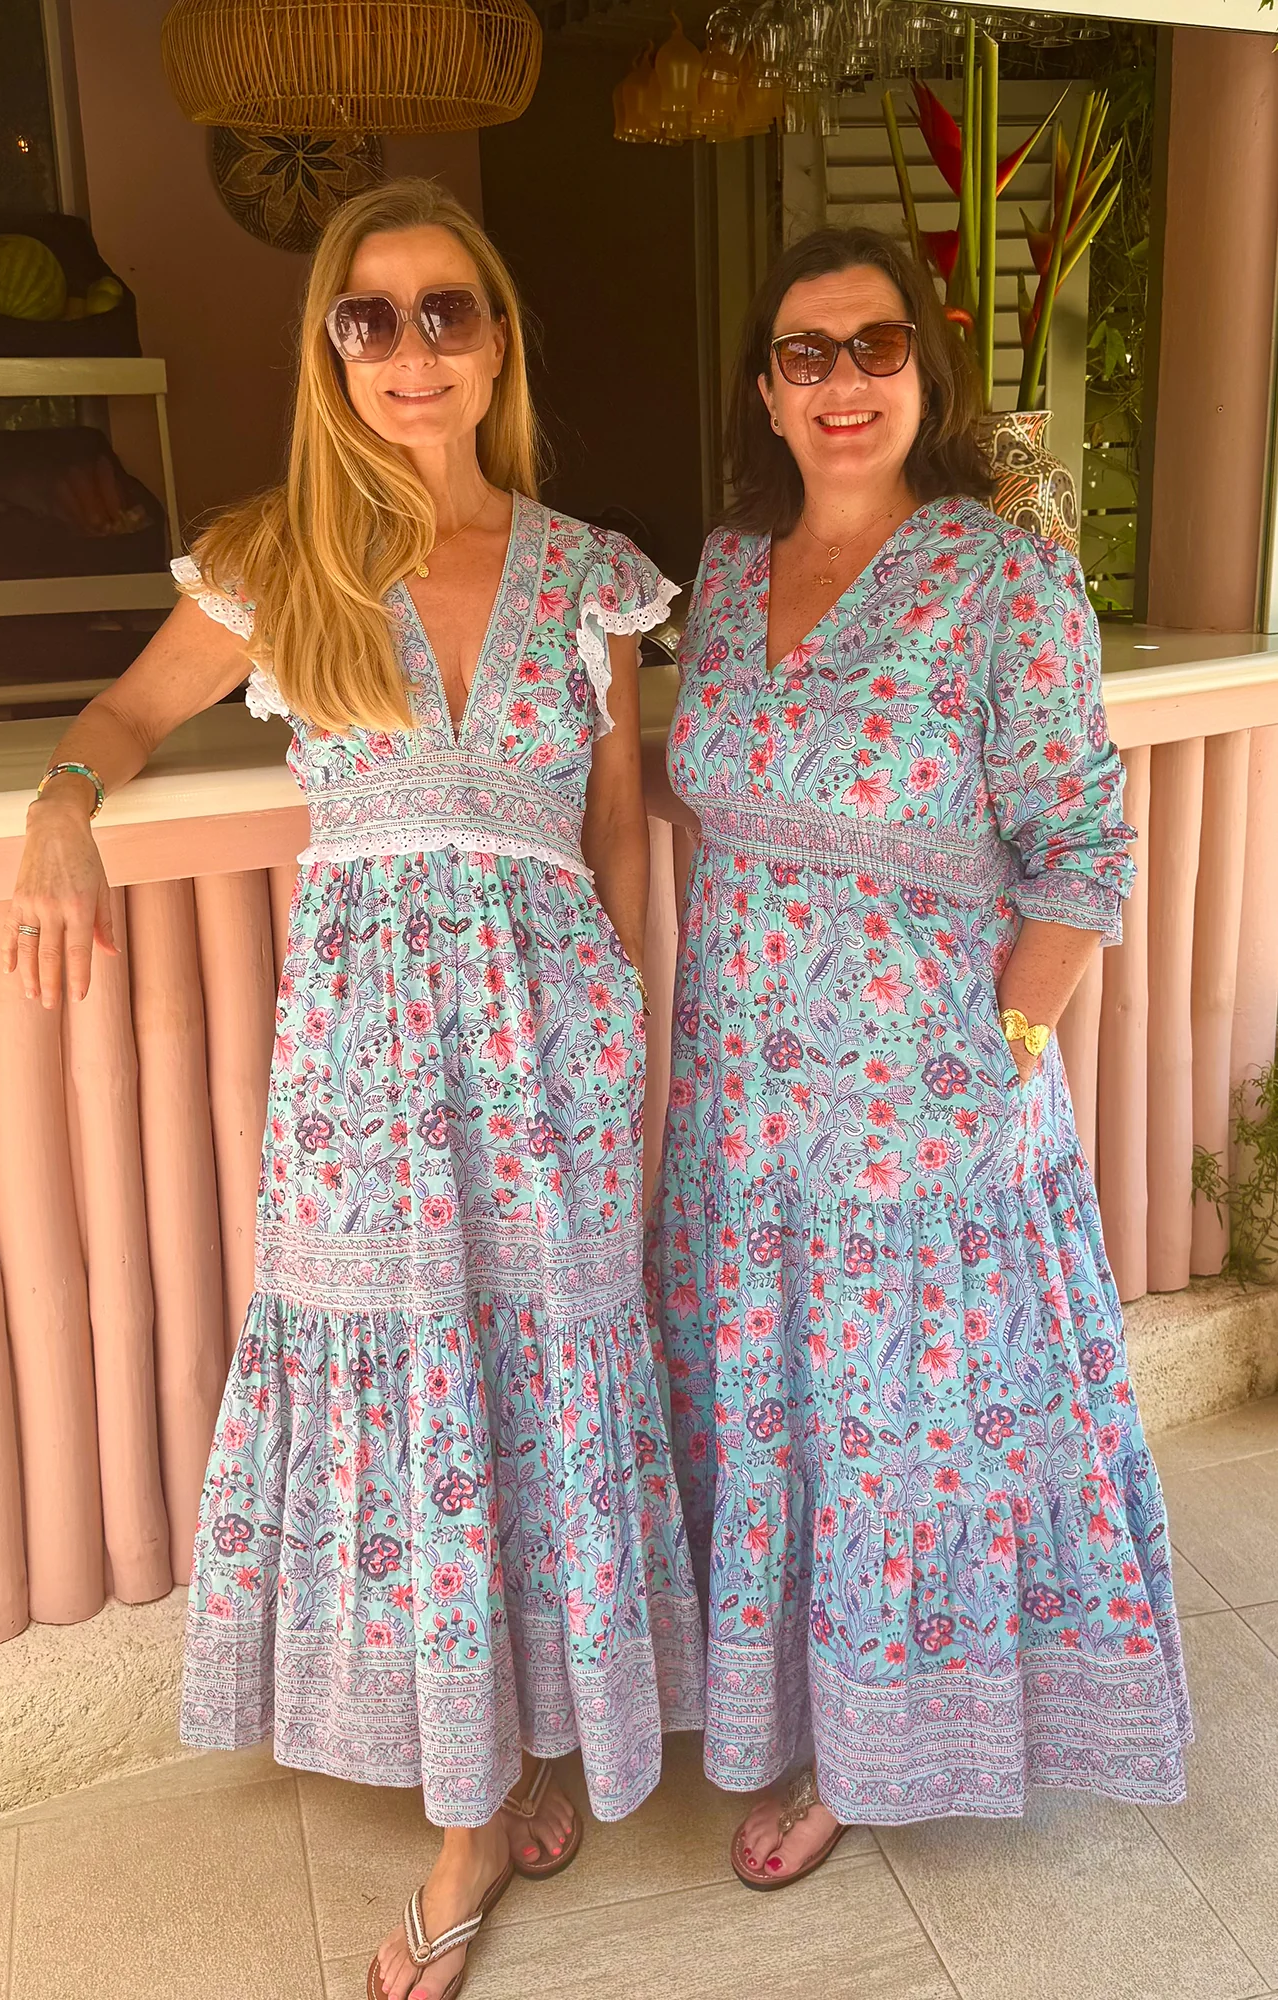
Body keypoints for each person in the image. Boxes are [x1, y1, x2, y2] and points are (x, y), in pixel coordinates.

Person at [6, 177, 704, 2000]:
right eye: (369, 317)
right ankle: (470, 1807)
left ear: (496, 340)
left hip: (555, 1053)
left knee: (537, 1382)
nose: (411, 351)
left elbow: (618, 840)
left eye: (444, 312)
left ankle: (522, 1742)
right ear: (329, 349)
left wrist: (626, 1056)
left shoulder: (586, 571)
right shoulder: (276, 557)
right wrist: (61, 818)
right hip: (370, 1071)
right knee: (422, 1386)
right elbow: (122, 717)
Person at [645, 224, 1191, 1888]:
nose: (843, 385)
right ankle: (783, 1707)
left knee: (898, 1438)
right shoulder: (727, 570)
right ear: (764, 388)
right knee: (783, 1425)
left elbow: (1080, 858)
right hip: (745, 1113)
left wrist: (997, 1060)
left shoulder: (999, 573)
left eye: (875, 349)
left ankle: (875, 1754)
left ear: (923, 371)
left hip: (921, 1120)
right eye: (806, 355)